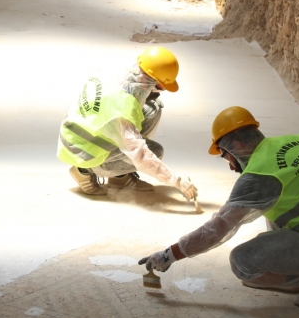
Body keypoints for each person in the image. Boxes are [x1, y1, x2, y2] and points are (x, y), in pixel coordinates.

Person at [139, 106, 299, 309]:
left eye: (226, 155)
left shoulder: (260, 177)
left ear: (236, 145)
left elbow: (217, 230)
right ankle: (295, 271)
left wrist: (170, 254)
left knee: (243, 263)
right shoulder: (287, 143)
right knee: (275, 208)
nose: (230, 165)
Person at [57, 46, 198, 202]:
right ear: (154, 80)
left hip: (77, 129)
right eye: (162, 86)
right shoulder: (123, 106)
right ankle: (83, 170)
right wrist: (176, 181)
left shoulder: (120, 71)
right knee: (155, 151)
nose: (163, 89)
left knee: (153, 106)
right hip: (81, 149)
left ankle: (119, 176)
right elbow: (141, 155)